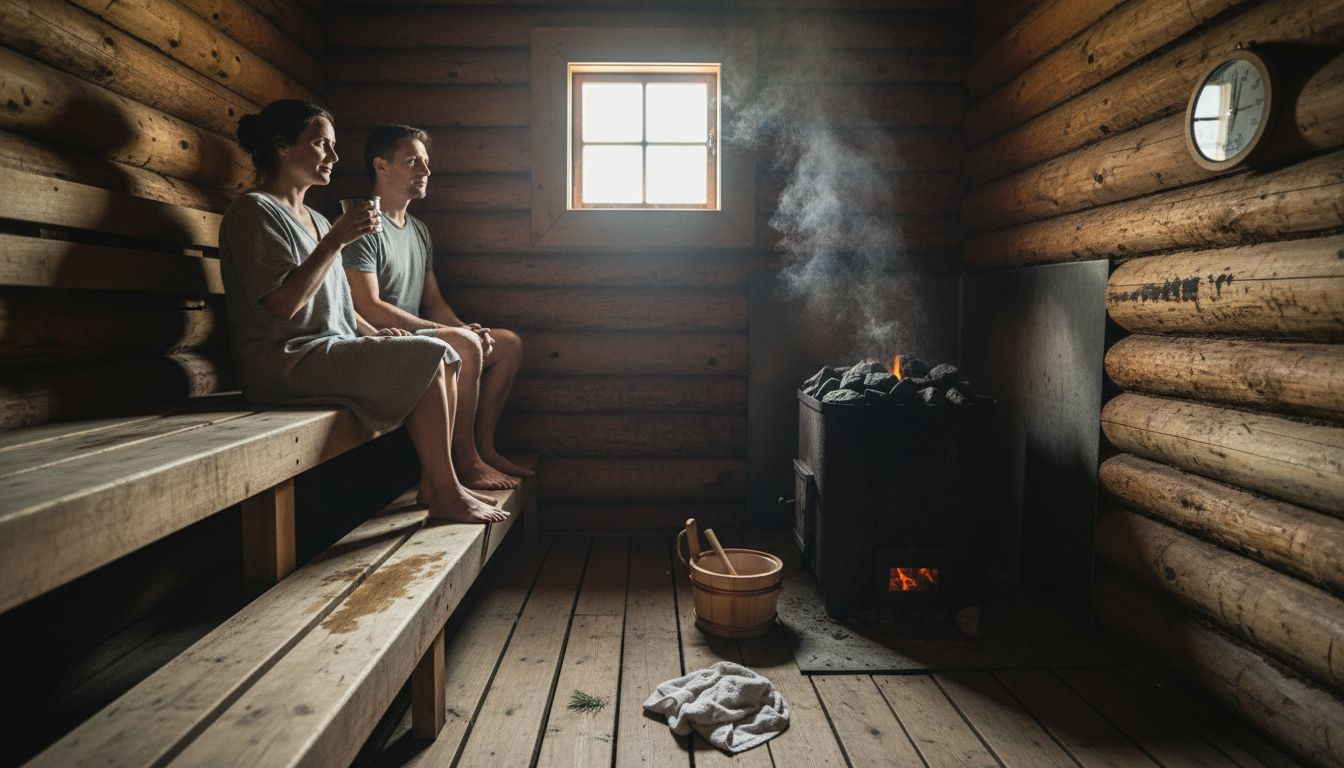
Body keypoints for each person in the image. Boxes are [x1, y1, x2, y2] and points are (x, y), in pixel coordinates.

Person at [219, 99, 505, 524]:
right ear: (282, 147)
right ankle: (447, 491)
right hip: (282, 359)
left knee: (443, 353)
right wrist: (335, 241)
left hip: (326, 350)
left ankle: (438, 484)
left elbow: (337, 301)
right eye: (321, 144)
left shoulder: (317, 219)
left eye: (333, 146)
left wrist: (373, 334)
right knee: (429, 354)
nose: (334, 156)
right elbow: (283, 305)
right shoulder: (255, 211)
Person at [342, 124, 532, 491]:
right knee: (465, 344)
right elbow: (367, 305)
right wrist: (452, 335)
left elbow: (433, 302)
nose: (426, 171)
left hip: (421, 334)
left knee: (507, 344)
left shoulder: (419, 230)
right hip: (383, 339)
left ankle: (484, 448)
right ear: (381, 166)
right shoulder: (363, 224)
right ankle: (466, 462)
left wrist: (463, 327)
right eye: (413, 162)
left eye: (426, 162)